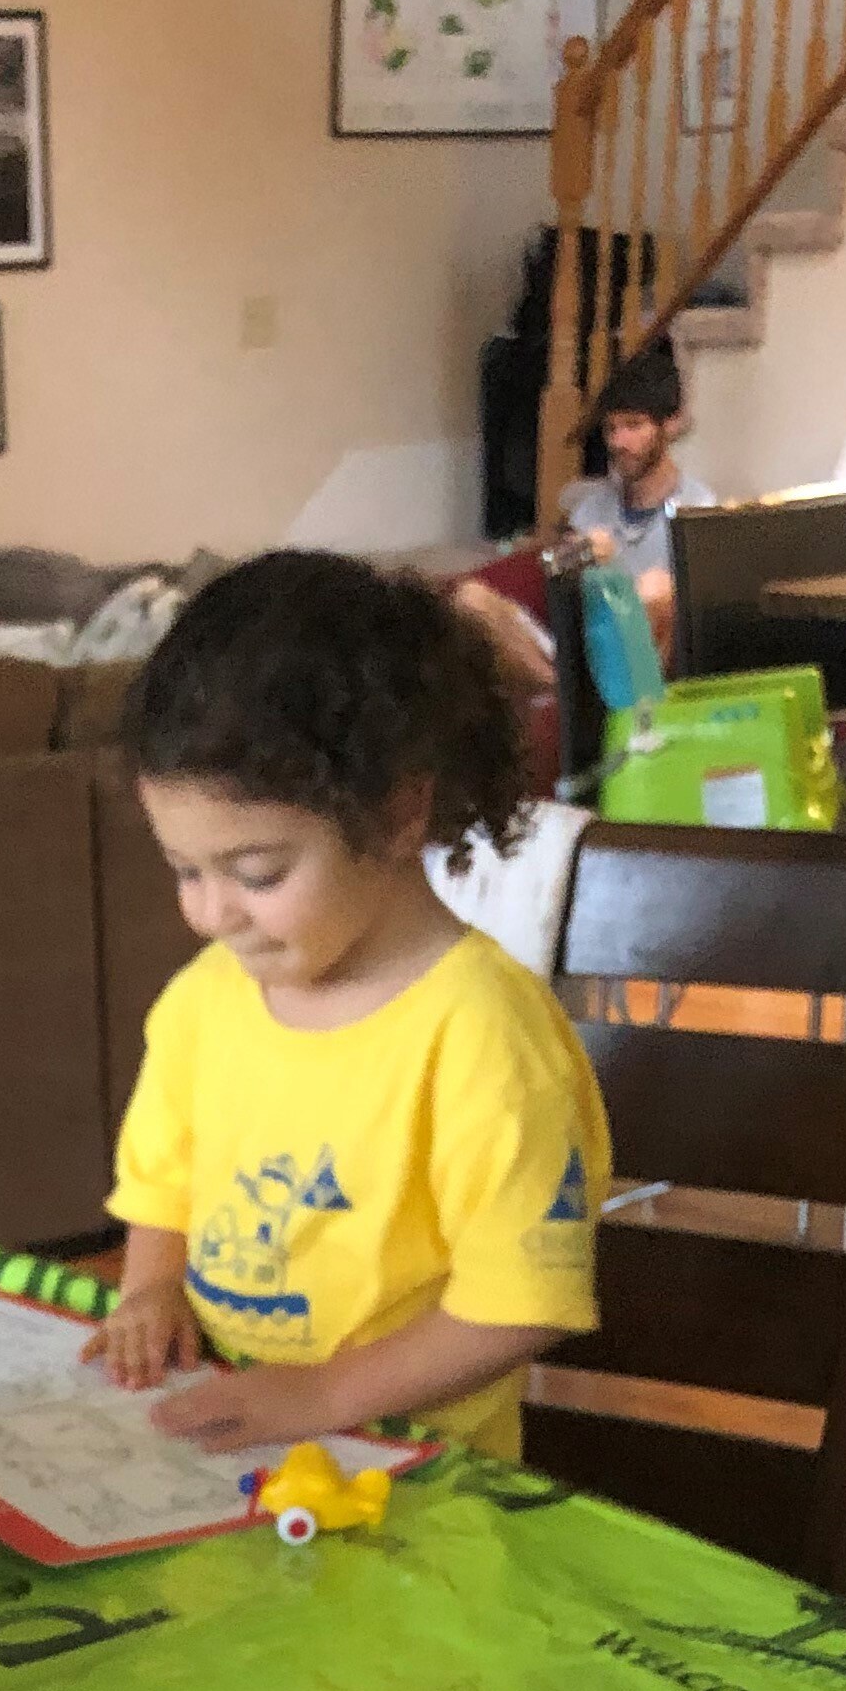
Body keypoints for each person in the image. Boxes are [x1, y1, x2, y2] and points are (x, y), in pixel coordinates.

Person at [91, 550, 607, 1462]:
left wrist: (323, 1395)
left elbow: (520, 1303)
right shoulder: (203, 1005)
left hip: (418, 1493)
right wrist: (152, 1289)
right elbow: (163, 1186)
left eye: (258, 873)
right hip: (227, 1456)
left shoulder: (486, 1036)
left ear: (401, 814)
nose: (212, 914)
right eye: (184, 871)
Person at [559, 339, 712, 655]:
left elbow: (692, 613)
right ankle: (559, 686)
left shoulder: (698, 509)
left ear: (671, 423)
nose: (618, 441)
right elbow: (567, 606)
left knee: (656, 588)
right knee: (474, 599)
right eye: (610, 428)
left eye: (633, 425)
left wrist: (610, 564)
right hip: (585, 650)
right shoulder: (588, 511)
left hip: (655, 662)